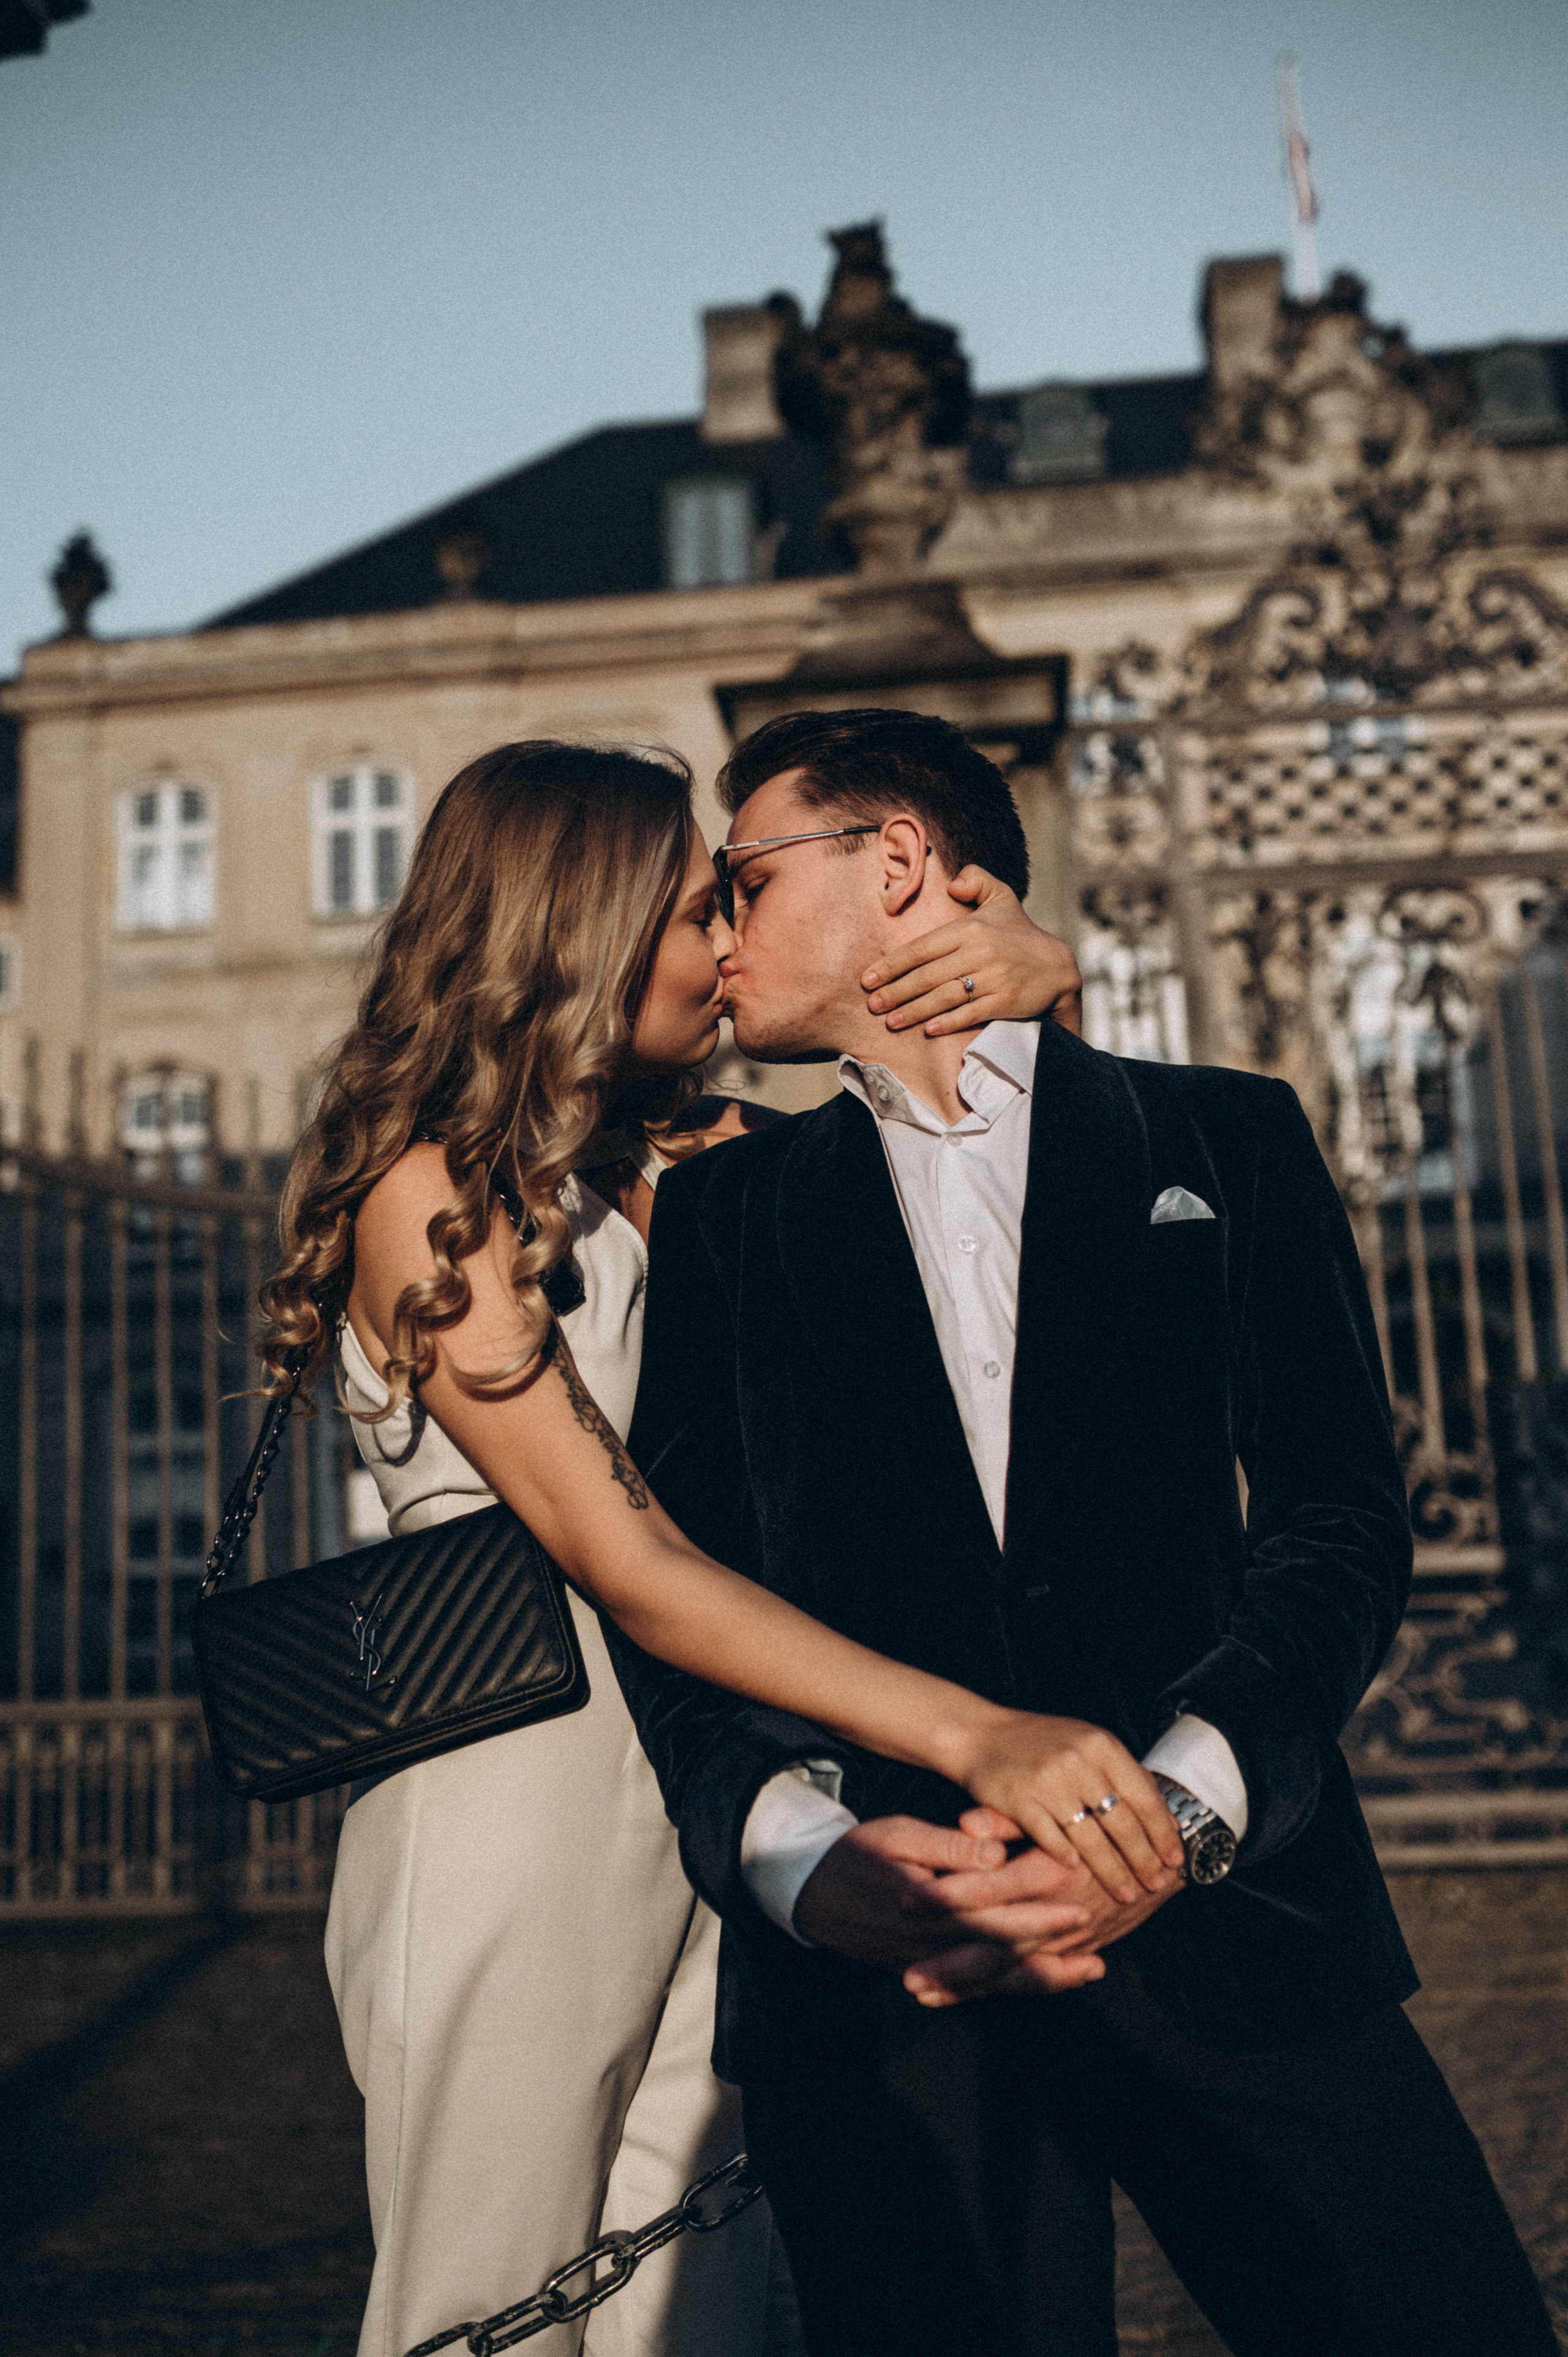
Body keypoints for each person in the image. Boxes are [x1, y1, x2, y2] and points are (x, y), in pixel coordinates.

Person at [601, 706, 1560, 2357]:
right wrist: (803, 1863)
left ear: (900, 861)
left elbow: (1339, 1515)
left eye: (745, 881)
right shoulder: (720, 1211)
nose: (719, 932)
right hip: (890, 1978)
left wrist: (1182, 1808)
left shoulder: (1226, 1135)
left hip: (1244, 1928)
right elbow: (681, 1596)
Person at [257, 736, 1125, 2357]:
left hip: (718, 1793)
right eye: (694, 909)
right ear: (578, 929)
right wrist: (974, 1733)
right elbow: (631, 1559)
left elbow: (1009, 1263)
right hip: (512, 1792)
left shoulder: (692, 1164)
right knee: (490, 2301)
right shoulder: (427, 1197)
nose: (730, 944)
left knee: (694, 2307)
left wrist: (1038, 1004)